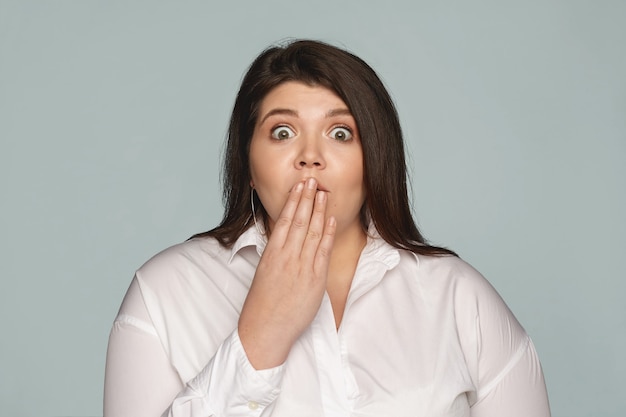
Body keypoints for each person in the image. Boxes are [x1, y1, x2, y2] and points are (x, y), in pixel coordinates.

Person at [104, 39, 551, 417]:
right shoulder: (162, 292)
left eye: (340, 133)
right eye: (282, 132)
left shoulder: (459, 298)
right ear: (248, 164)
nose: (310, 157)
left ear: (374, 159)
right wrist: (259, 339)